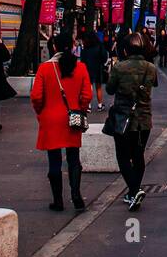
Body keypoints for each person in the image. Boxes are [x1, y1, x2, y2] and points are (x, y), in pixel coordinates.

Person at [30, 38, 92, 211]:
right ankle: (76, 196)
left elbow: (36, 96)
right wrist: (80, 109)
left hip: (50, 119)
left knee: (54, 161)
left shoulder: (45, 68)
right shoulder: (80, 67)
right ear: (73, 47)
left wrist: (41, 111)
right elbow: (87, 95)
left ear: (54, 47)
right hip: (72, 118)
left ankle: (58, 200)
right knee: (74, 158)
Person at [106, 34, 158, 210]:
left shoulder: (119, 67)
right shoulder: (151, 68)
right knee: (138, 155)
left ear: (126, 49)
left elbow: (110, 89)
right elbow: (155, 84)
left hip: (123, 118)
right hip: (144, 119)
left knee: (122, 156)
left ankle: (134, 191)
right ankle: (133, 193)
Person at [81, 25, 110, 111]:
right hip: (98, 68)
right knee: (98, 87)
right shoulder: (100, 46)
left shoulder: (86, 47)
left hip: (88, 68)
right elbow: (104, 56)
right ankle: (100, 105)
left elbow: (83, 59)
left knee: (89, 86)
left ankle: (88, 105)